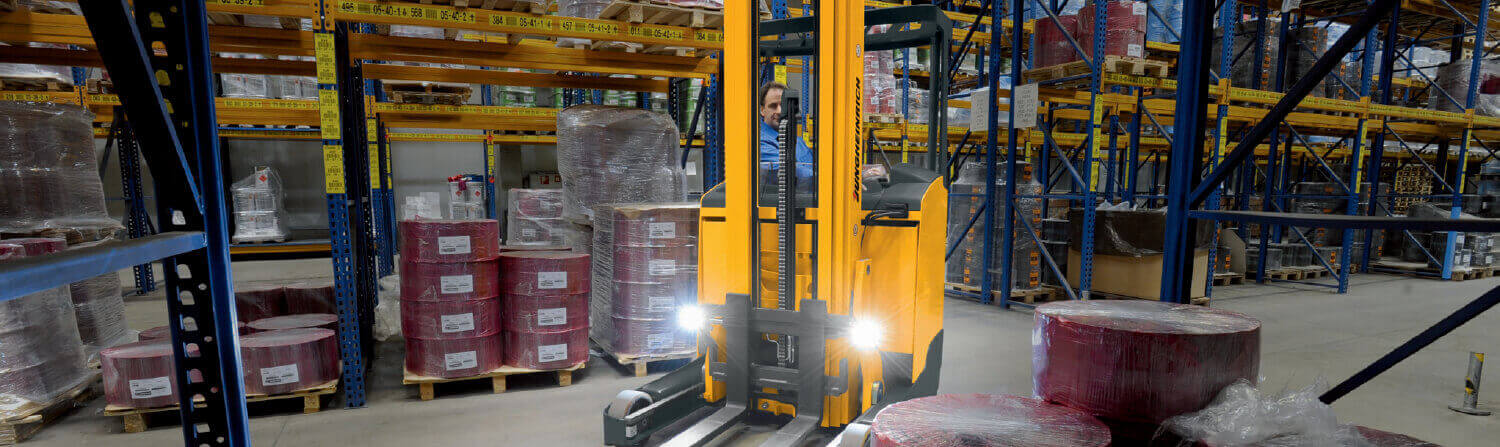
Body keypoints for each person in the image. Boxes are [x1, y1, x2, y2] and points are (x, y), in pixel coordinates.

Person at [759, 82, 815, 180]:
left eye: (784, 105)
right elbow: (786, 169)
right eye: (773, 106)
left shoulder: (799, 142)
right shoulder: (759, 142)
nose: (780, 111)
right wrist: (821, 179)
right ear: (762, 110)